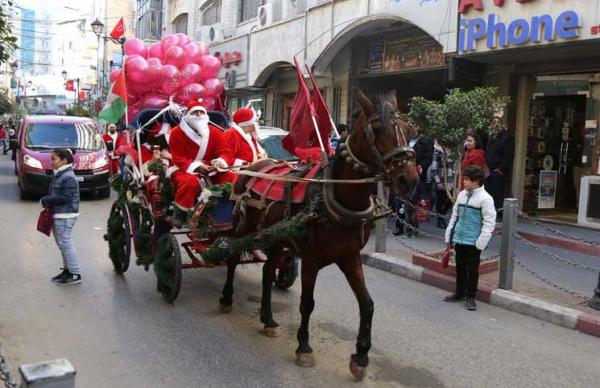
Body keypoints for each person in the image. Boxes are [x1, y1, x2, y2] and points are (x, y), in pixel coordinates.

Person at [168, 100, 234, 225]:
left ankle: (228, 210)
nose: (198, 115)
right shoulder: (176, 133)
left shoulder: (215, 132)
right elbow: (178, 158)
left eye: (201, 112)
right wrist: (198, 167)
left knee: (232, 177)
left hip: (211, 169)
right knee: (190, 183)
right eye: (194, 112)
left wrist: (219, 162)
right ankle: (181, 211)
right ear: (187, 115)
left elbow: (225, 151)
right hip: (183, 168)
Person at [444, 166, 496, 311]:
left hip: (474, 242)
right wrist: (449, 235)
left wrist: (481, 243)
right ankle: (459, 292)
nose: (464, 182)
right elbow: (455, 215)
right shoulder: (461, 194)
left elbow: (489, 222)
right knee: (460, 267)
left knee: (472, 270)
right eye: (464, 179)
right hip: (460, 238)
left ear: (477, 181)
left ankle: (471, 296)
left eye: (467, 180)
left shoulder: (486, 199)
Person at [41, 149, 82, 285]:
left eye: (54, 159)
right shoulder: (61, 174)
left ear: (64, 160)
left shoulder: (68, 176)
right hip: (59, 213)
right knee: (62, 244)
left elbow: (65, 198)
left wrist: (47, 200)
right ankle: (67, 270)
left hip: (66, 214)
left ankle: (75, 273)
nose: (51, 162)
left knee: (65, 243)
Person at [485, 115, 514, 215]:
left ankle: (499, 214)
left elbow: (509, 155)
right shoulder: (491, 135)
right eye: (493, 123)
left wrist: (501, 169)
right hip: (489, 170)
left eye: (497, 123)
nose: (494, 125)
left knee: (498, 193)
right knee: (489, 192)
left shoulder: (506, 137)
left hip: (498, 171)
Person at [429, 140, 455, 229]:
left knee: (450, 200)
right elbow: (434, 168)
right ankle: (440, 220)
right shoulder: (437, 150)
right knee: (440, 201)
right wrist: (438, 181)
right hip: (441, 179)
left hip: (452, 180)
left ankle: (442, 215)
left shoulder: (455, 150)